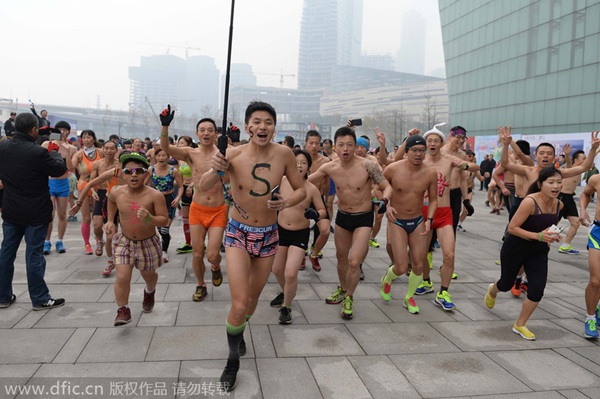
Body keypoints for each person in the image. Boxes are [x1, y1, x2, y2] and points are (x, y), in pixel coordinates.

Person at [200, 101, 306, 391]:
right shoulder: (232, 154)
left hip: (269, 234)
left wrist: (285, 202)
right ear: (247, 126)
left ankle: (241, 328)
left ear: (274, 127)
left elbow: (301, 189)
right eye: (257, 122)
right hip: (237, 234)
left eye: (268, 122)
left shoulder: (284, 154)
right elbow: (203, 186)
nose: (263, 127)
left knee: (252, 301)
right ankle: (232, 359)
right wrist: (215, 167)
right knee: (238, 300)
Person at [309, 126, 392, 319]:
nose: (345, 149)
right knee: (340, 257)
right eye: (341, 145)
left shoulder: (367, 166)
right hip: (343, 218)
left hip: (363, 219)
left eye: (349, 145)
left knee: (354, 261)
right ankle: (343, 288)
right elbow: (305, 182)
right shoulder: (329, 167)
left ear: (356, 146)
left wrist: (384, 201)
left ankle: (350, 297)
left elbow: (386, 187)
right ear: (334, 147)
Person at [484, 167, 564, 340]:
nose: (556, 186)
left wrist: (553, 235)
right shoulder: (529, 202)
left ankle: (520, 324)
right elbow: (512, 228)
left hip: (539, 251)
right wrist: (539, 236)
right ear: (540, 184)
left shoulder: (559, 204)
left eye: (559, 182)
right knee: (506, 284)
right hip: (516, 247)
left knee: (537, 290)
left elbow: (547, 226)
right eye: (551, 182)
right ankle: (493, 290)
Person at [0, 112, 66, 310]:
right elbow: (58, 169)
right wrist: (54, 151)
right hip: (35, 212)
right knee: (34, 255)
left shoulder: (3, 146)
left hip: (11, 210)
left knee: (6, 253)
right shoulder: (37, 152)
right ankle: (40, 298)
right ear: (33, 130)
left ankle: (3, 296)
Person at [159, 109, 227, 302]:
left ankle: (215, 267)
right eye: (202, 130)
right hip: (197, 209)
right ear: (197, 133)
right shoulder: (190, 153)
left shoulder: (223, 154)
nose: (206, 133)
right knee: (197, 253)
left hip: (218, 210)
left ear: (216, 134)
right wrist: (165, 125)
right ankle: (200, 285)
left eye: (210, 130)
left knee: (213, 254)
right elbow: (166, 147)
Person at [105, 152, 168, 326]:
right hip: (124, 242)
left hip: (148, 243)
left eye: (138, 171)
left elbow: (164, 219)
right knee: (123, 276)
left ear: (146, 174)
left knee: (149, 274)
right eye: (129, 170)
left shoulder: (155, 195)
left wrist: (151, 219)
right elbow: (110, 201)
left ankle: (149, 291)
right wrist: (111, 220)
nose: (134, 174)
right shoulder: (117, 192)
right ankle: (123, 309)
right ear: (122, 173)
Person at [379, 135, 438, 314]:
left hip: (419, 220)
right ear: (407, 151)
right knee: (401, 266)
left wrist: (430, 220)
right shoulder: (393, 169)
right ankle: (388, 279)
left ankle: (409, 297)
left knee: (418, 264)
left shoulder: (430, 173)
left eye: (422, 150)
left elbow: (434, 199)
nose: (419, 154)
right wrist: (387, 205)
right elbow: (377, 187)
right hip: (397, 221)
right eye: (415, 150)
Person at [270, 149, 327, 324]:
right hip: (280, 231)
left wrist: (315, 214)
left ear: (309, 167)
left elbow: (323, 211)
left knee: (290, 272)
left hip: (299, 234)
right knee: (277, 270)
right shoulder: (282, 181)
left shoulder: (311, 189)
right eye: (296, 163)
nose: (299, 166)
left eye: (303, 163)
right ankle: (286, 292)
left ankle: (286, 307)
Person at [41, 121, 77, 255]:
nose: (62, 132)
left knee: (62, 214)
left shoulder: (71, 148)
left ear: (68, 132)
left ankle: (60, 240)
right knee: (49, 214)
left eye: (65, 129)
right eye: (59, 129)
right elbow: (41, 161)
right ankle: (46, 241)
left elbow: (71, 168)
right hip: (50, 182)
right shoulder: (46, 145)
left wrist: (67, 151)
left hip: (63, 183)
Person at [72, 129, 103, 255]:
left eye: (89, 137)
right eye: (84, 137)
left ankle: (98, 240)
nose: (86, 139)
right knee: (86, 218)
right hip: (83, 186)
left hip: (98, 187)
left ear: (94, 139)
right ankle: (87, 244)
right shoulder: (79, 154)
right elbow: (70, 165)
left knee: (97, 218)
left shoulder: (101, 152)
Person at [304, 130, 331, 272]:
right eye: (311, 143)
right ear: (306, 144)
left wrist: (327, 200)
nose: (314, 146)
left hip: (318, 199)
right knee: (301, 227)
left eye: (317, 143)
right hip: (301, 198)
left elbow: (326, 183)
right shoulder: (298, 159)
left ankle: (314, 253)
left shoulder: (325, 161)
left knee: (325, 230)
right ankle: (301, 254)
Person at [578, 161, 600, 339]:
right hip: (598, 232)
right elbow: (585, 194)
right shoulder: (596, 179)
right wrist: (583, 210)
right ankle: (590, 317)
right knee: (595, 281)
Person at [558, 147, 586, 254]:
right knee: (553, 223)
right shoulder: (570, 169)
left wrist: (596, 149)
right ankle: (541, 243)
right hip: (561, 197)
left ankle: (565, 246)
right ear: (576, 160)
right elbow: (569, 165)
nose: (586, 160)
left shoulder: (581, 169)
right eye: (583, 158)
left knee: (576, 223)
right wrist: (567, 155)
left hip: (569, 198)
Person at [173, 136, 196, 254]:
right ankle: (188, 243)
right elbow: (179, 176)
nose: (179, 146)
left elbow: (199, 174)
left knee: (196, 218)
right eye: (179, 144)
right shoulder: (179, 159)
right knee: (185, 218)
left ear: (189, 145)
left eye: (182, 143)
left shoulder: (193, 157)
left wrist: (192, 185)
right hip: (185, 188)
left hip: (195, 188)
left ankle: (199, 242)